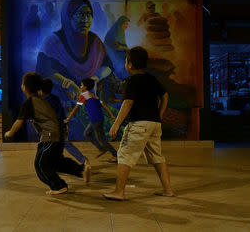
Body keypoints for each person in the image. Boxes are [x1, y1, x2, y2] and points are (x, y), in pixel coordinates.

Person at [103, 46, 174, 201]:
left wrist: (116, 125)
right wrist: (159, 115)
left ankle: (119, 191)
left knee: (125, 155)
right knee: (157, 157)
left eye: (126, 61)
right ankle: (168, 190)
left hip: (139, 124)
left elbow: (127, 103)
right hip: (154, 124)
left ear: (130, 64)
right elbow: (165, 95)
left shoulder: (132, 81)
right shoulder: (151, 78)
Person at [4, 72, 91, 195]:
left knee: (40, 165)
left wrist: (9, 133)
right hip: (57, 135)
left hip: (50, 137)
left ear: (25, 87)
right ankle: (81, 170)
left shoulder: (29, 103)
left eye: (22, 83)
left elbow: (18, 122)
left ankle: (58, 186)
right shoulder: (41, 100)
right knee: (56, 162)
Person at [39, 78, 90, 167]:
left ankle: (52, 164)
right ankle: (83, 160)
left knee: (48, 146)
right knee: (64, 145)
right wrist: (65, 125)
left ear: (41, 90)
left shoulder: (44, 102)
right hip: (60, 126)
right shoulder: (55, 98)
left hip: (52, 129)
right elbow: (61, 114)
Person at [66, 78, 118, 160]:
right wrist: (111, 115)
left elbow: (76, 108)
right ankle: (114, 154)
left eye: (81, 85)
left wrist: (68, 118)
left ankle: (102, 148)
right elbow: (104, 105)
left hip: (95, 119)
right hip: (100, 118)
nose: (80, 86)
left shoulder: (83, 95)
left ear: (85, 87)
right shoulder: (93, 95)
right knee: (102, 139)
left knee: (87, 133)